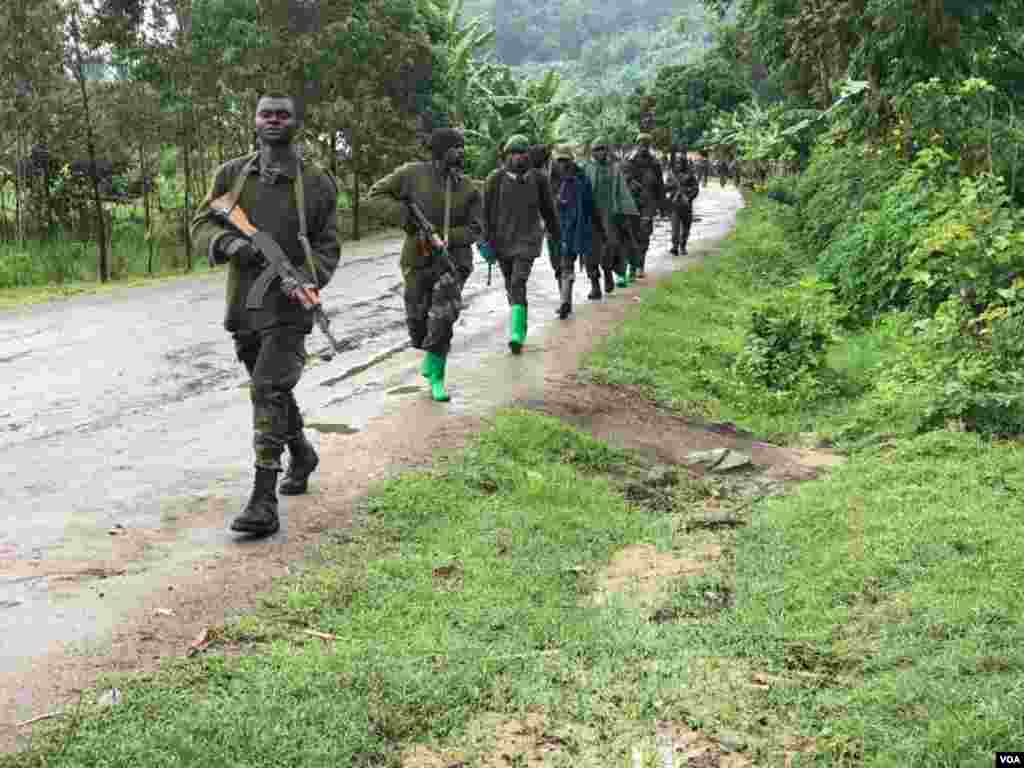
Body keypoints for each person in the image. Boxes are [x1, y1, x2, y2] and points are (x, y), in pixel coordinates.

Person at [191, 93, 340, 536]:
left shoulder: (315, 182)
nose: (274, 120)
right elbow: (202, 224)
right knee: (272, 390)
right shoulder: (232, 175)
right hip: (245, 306)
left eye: (283, 114)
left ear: (297, 122)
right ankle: (302, 451)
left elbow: (328, 244)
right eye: (266, 113)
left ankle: (263, 500)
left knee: (267, 388)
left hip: (290, 309)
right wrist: (232, 245)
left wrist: (311, 280)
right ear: (255, 121)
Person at [368, 128, 484, 400]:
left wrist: (446, 237)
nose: (462, 152)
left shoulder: (468, 188)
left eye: (462, 147)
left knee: (443, 318)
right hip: (416, 260)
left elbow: (477, 229)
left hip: (453, 263)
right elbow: (375, 196)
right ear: (442, 151)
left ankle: (437, 377)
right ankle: (429, 355)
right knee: (418, 323)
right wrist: (407, 218)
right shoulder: (411, 174)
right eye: (457, 147)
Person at [483, 134, 561, 353]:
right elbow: (484, 215)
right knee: (511, 285)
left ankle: (516, 333)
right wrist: (484, 242)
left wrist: (557, 236)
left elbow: (549, 211)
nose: (518, 157)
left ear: (528, 155)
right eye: (514, 153)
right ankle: (520, 323)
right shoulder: (494, 179)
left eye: (522, 153)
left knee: (518, 281)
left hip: (528, 241)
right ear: (506, 156)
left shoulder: (539, 179)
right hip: (502, 242)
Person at [583, 140, 639, 300]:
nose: (600, 152)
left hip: (610, 216)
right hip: (590, 217)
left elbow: (622, 191)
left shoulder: (615, 169)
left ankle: (608, 273)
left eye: (603, 149)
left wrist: (626, 213)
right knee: (590, 252)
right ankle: (594, 285)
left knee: (610, 248)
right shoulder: (586, 168)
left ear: (607, 151)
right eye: (597, 150)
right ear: (592, 152)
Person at [550, 145, 594, 319]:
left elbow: (589, 203)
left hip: (573, 227)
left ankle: (564, 301)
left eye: (565, 160)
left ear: (571, 161)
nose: (562, 164)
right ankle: (564, 298)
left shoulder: (581, 178)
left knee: (566, 263)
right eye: (559, 160)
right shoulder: (550, 178)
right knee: (557, 265)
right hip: (554, 228)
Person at [622, 133, 664, 282]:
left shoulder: (655, 163)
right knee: (630, 235)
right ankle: (632, 267)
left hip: (648, 203)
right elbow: (621, 182)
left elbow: (660, 186)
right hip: (631, 204)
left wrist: (661, 206)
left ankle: (640, 265)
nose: (643, 146)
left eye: (646, 144)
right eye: (641, 143)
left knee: (644, 235)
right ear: (637, 144)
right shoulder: (628, 160)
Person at [665, 155, 700, 256]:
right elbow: (666, 188)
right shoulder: (671, 175)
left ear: (684, 164)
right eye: (676, 163)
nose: (678, 165)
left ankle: (683, 246)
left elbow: (696, 189)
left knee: (686, 228)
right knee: (675, 230)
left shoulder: (690, 175)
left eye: (680, 163)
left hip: (686, 206)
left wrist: (688, 196)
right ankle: (675, 247)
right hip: (674, 206)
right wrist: (672, 188)